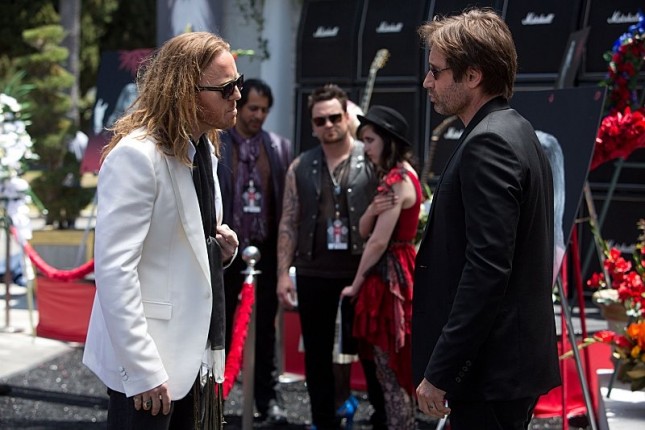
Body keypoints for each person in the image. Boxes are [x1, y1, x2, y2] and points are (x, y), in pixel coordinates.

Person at [412, 8, 561, 430]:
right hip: (500, 370)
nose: (427, 82)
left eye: (436, 71)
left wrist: (441, 371)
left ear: (473, 75)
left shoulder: (490, 141)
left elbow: (488, 269)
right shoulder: (513, 129)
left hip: (490, 373)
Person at [83, 32, 241, 429]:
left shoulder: (204, 149)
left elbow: (181, 241)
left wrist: (218, 248)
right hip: (150, 365)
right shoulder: (137, 156)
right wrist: (143, 369)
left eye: (238, 83)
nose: (237, 95)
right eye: (226, 88)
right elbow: (115, 271)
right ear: (186, 92)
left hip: (193, 355)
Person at [276, 84, 385, 430]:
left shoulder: (372, 159)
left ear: (347, 117)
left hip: (362, 269)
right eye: (320, 120)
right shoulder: (300, 165)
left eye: (334, 117)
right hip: (314, 271)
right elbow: (289, 221)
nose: (328, 125)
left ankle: (382, 418)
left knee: (370, 351)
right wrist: (283, 274)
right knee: (317, 354)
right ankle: (323, 421)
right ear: (312, 125)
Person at [341, 105, 421, 430]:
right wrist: (372, 210)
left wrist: (356, 284)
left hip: (390, 278)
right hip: (399, 270)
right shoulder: (401, 175)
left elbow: (376, 242)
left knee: (391, 369)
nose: (366, 147)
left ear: (388, 141)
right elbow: (364, 230)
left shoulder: (396, 180)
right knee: (391, 367)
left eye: (370, 140)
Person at [218, 78, 291, 424]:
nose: (258, 116)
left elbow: (285, 204)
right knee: (218, 326)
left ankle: (267, 398)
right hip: (224, 253)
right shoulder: (217, 144)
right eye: (252, 108)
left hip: (264, 253)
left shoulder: (278, 148)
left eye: (264, 110)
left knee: (264, 330)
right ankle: (214, 397)